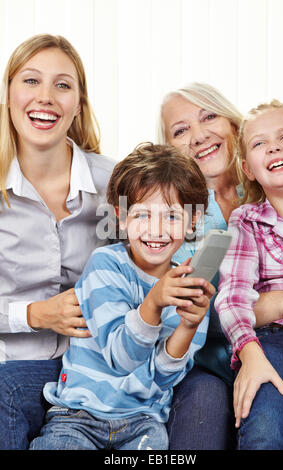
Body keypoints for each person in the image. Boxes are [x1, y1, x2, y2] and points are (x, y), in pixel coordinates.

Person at [29, 142, 215, 450]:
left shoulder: (192, 287)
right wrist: (153, 302)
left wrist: (187, 326)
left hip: (143, 423)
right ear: (122, 217)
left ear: (193, 221)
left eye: (172, 216)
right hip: (78, 417)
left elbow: (164, 379)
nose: (157, 230)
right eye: (142, 215)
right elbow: (121, 357)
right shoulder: (105, 266)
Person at [157, 82, 283, 449]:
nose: (199, 135)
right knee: (205, 415)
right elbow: (191, 311)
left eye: (209, 116)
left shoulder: (274, 180)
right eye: (181, 130)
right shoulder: (172, 217)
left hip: (276, 342)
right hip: (210, 360)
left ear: (234, 127)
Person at [0, 34, 115, 450]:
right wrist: (34, 314)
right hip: (11, 370)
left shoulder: (113, 182)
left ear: (78, 104)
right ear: (9, 93)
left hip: (93, 372)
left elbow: (149, 262)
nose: (45, 97)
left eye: (62, 85)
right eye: (31, 81)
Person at [215, 100, 283, 450]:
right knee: (265, 427)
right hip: (272, 343)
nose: (274, 146)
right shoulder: (246, 220)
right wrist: (250, 354)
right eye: (260, 143)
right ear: (248, 169)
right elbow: (233, 295)